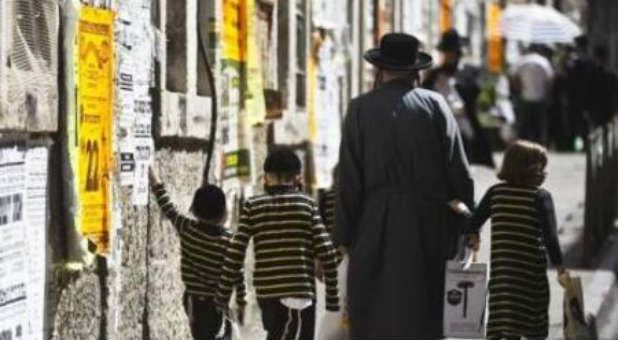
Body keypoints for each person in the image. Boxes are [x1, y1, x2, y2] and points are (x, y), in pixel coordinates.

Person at [336, 33, 474, 339]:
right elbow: (459, 171)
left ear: (379, 70)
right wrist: (469, 222)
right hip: (430, 223)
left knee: (375, 306)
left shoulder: (359, 109)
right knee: (424, 308)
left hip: (375, 222)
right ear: (416, 72)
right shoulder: (436, 105)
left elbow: (349, 179)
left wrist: (343, 235)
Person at [216, 147, 340, 340]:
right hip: (299, 295)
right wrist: (332, 301)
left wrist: (223, 295)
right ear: (298, 178)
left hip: (267, 296)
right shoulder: (306, 205)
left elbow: (234, 252)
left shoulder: (252, 206)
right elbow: (327, 252)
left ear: (266, 177)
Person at [465, 140, 568, 340]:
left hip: (503, 275)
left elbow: (474, 221)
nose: (544, 172)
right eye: (541, 167)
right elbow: (550, 237)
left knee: (505, 319)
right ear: (532, 169)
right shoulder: (540, 197)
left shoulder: (496, 193)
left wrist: (472, 234)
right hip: (530, 275)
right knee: (531, 321)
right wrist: (560, 265)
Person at [148, 165, 246, 340]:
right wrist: (242, 302)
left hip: (192, 302)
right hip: (217, 305)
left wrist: (155, 179)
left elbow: (168, 208)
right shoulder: (230, 241)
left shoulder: (187, 228)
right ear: (224, 213)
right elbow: (238, 273)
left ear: (194, 209)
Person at [423, 29, 495, 168]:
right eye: (447, 52)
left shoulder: (470, 72)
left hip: (463, 124)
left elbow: (479, 96)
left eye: (452, 52)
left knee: (464, 164)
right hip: (440, 124)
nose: (449, 56)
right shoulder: (434, 74)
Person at [511, 44, 555, 146]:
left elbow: (513, 77)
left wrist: (519, 89)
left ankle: (522, 145)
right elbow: (549, 80)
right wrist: (546, 93)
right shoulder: (543, 62)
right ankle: (540, 145)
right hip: (540, 97)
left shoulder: (522, 61)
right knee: (540, 124)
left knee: (524, 125)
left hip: (525, 96)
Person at [565, 35, 595, 148]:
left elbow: (569, 79)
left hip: (575, 96)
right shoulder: (590, 61)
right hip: (586, 96)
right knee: (584, 123)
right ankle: (585, 144)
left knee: (573, 121)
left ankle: (571, 144)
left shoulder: (574, 61)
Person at [585, 44, 618, 128]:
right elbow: (614, 94)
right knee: (607, 136)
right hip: (608, 110)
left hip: (594, 111)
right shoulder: (611, 75)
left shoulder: (591, 75)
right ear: (606, 58)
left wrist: (586, 109)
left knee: (595, 135)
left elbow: (587, 93)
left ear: (596, 57)